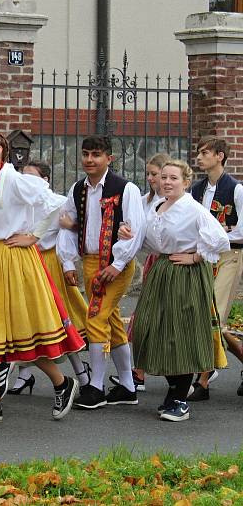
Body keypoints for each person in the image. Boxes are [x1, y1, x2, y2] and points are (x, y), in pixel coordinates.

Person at [0, 132, 83, 423]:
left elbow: (55, 203)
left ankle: (63, 382)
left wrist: (33, 236)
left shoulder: (14, 179)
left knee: (23, 331)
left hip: (15, 258)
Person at [131, 159, 229, 421]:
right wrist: (127, 234)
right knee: (149, 331)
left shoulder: (193, 209)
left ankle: (179, 398)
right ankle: (174, 390)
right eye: (163, 177)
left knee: (179, 333)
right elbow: (148, 240)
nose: (167, 182)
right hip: (162, 270)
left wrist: (196, 257)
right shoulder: (157, 206)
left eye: (173, 178)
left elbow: (220, 239)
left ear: (186, 182)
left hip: (186, 275)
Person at [58, 135, 146, 410]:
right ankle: (128, 386)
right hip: (90, 261)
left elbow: (136, 228)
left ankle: (95, 385)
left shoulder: (125, 188)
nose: (89, 160)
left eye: (96, 154)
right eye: (85, 154)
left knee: (94, 316)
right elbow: (67, 224)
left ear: (110, 158)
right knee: (112, 321)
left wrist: (117, 263)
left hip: (115, 263)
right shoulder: (78, 189)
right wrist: (68, 262)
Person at [8, 161, 91, 395]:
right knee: (27, 320)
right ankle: (24, 375)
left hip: (49, 262)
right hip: (26, 262)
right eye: (23, 178)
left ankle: (82, 374)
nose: (26, 183)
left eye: (32, 178)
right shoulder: (21, 205)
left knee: (59, 322)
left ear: (44, 181)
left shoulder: (56, 202)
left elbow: (66, 234)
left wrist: (66, 264)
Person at [108, 152, 170, 393]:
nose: (151, 178)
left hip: (167, 261)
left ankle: (192, 374)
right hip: (152, 262)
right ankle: (138, 373)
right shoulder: (144, 200)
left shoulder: (171, 201)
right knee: (143, 318)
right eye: (149, 174)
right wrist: (124, 231)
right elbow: (133, 227)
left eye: (155, 174)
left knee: (163, 318)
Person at [188, 137, 243, 400]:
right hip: (204, 256)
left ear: (220, 156)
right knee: (205, 317)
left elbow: (241, 230)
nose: (199, 157)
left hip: (230, 255)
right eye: (199, 153)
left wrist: (221, 233)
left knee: (214, 317)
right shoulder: (196, 190)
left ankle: (202, 382)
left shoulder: (236, 189)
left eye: (205, 152)